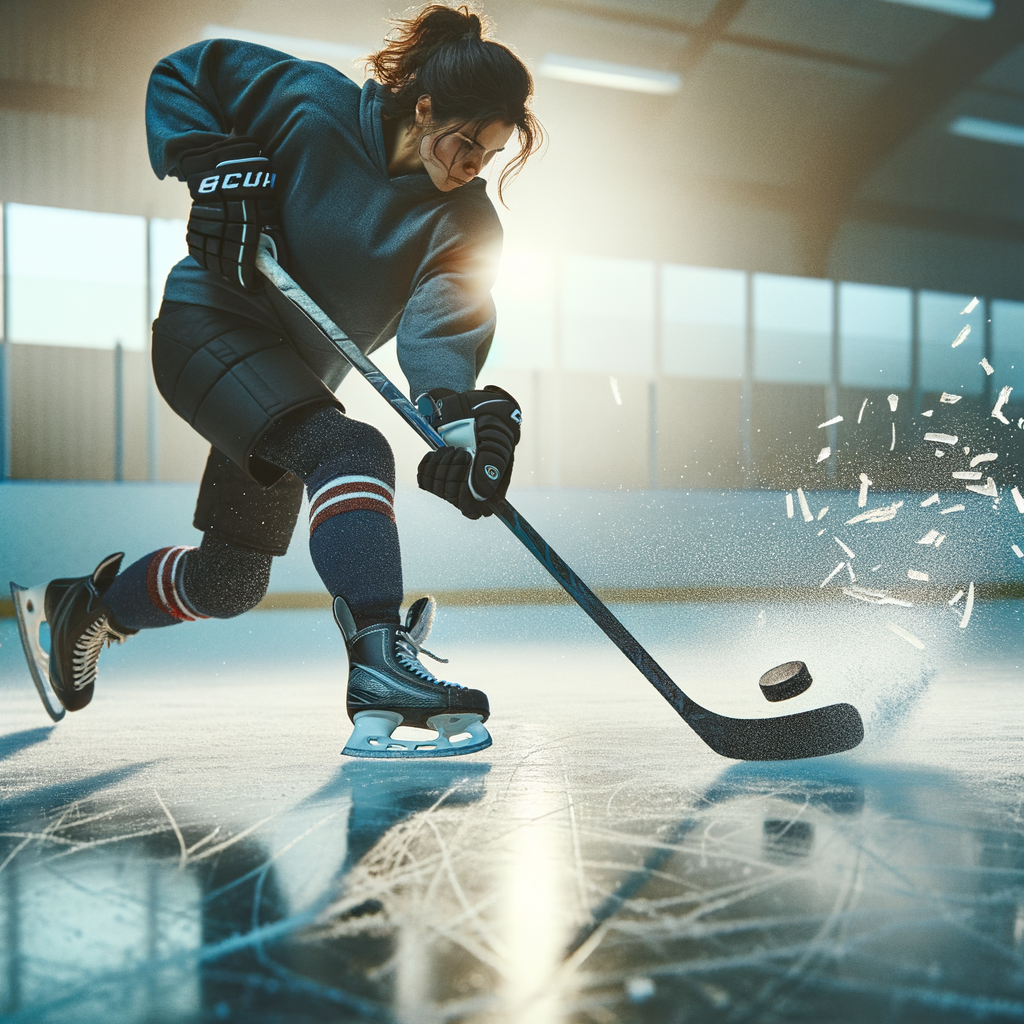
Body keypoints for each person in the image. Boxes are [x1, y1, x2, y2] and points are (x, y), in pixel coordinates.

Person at [11, 3, 542, 758]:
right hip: (209, 330)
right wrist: (211, 158)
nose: (469, 168)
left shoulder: (465, 223)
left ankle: (82, 607)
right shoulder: (309, 101)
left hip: (285, 386)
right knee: (352, 452)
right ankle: (379, 663)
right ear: (424, 106)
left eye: (486, 157)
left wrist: (458, 425)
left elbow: (442, 328)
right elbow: (184, 74)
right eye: (465, 144)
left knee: (232, 582)